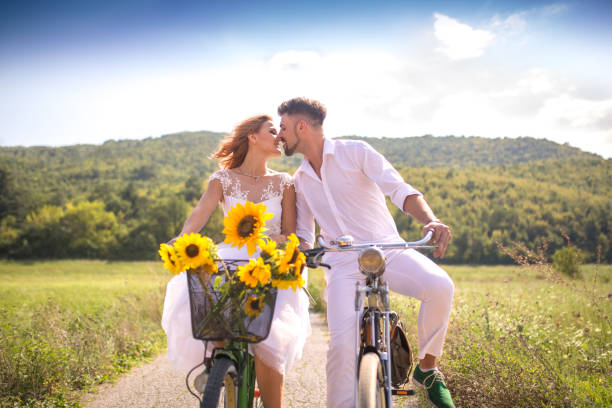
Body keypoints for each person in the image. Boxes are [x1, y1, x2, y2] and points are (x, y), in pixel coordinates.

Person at [277, 97, 455, 408]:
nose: (280, 134)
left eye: (283, 127)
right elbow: (304, 234)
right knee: (342, 348)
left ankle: (427, 369)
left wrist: (431, 220)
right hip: (342, 264)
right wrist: (300, 250)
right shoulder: (300, 179)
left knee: (440, 286)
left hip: (386, 249)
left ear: (301, 126)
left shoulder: (355, 151)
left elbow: (399, 189)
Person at [161, 114, 311, 408]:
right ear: (252, 137)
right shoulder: (222, 179)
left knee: (270, 345)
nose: (279, 136)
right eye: (272, 131)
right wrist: (181, 238)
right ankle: (221, 373)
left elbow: (290, 233)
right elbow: (200, 214)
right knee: (218, 322)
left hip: (270, 263)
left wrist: (284, 243)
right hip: (231, 259)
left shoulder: (285, 182)